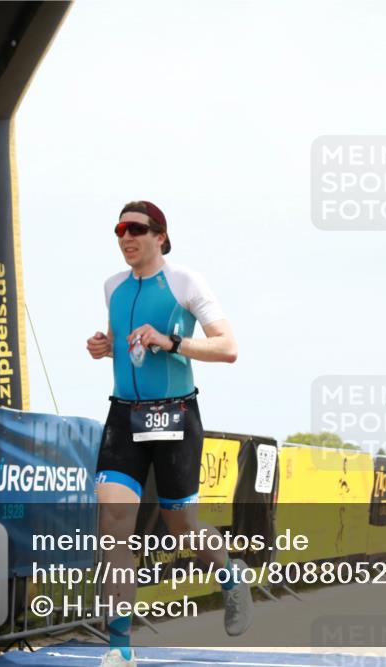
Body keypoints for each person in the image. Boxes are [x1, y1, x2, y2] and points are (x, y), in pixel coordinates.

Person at [87, 200, 250, 667]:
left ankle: (230, 578)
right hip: (124, 416)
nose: (125, 237)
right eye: (119, 230)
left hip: (175, 415)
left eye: (135, 229)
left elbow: (228, 347)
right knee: (114, 527)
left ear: (160, 235)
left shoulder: (185, 281)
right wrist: (105, 346)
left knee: (182, 528)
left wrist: (171, 340)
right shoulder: (112, 286)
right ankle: (120, 646)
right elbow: (122, 343)